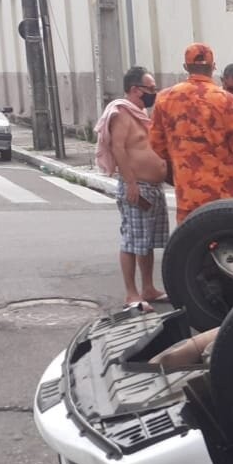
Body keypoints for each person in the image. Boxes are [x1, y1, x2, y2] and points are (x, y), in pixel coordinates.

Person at [150, 43, 233, 224]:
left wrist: (178, 170)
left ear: (185, 67)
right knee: (224, 243)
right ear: (213, 67)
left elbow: (156, 145)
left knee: (191, 246)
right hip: (223, 196)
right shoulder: (226, 100)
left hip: (187, 194)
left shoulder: (165, 98)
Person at [96, 66, 170, 309]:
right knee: (132, 241)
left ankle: (148, 288)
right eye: (150, 88)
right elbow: (118, 148)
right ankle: (132, 293)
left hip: (152, 187)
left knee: (145, 242)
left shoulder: (141, 113)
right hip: (135, 186)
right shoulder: (121, 113)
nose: (154, 93)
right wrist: (130, 183)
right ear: (136, 90)